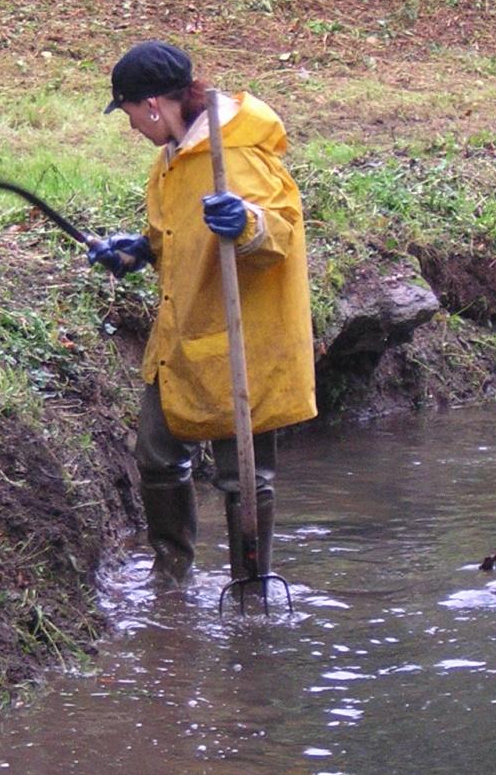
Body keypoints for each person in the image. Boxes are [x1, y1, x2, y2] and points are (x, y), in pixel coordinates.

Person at [94, 40, 316, 587]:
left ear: (151, 105)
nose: (131, 129)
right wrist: (141, 249)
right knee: (156, 453)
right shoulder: (170, 159)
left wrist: (246, 224)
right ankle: (171, 575)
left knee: (245, 477)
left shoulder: (234, 155)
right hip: (183, 335)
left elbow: (279, 234)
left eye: (128, 115)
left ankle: (250, 586)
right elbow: (177, 235)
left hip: (243, 340)